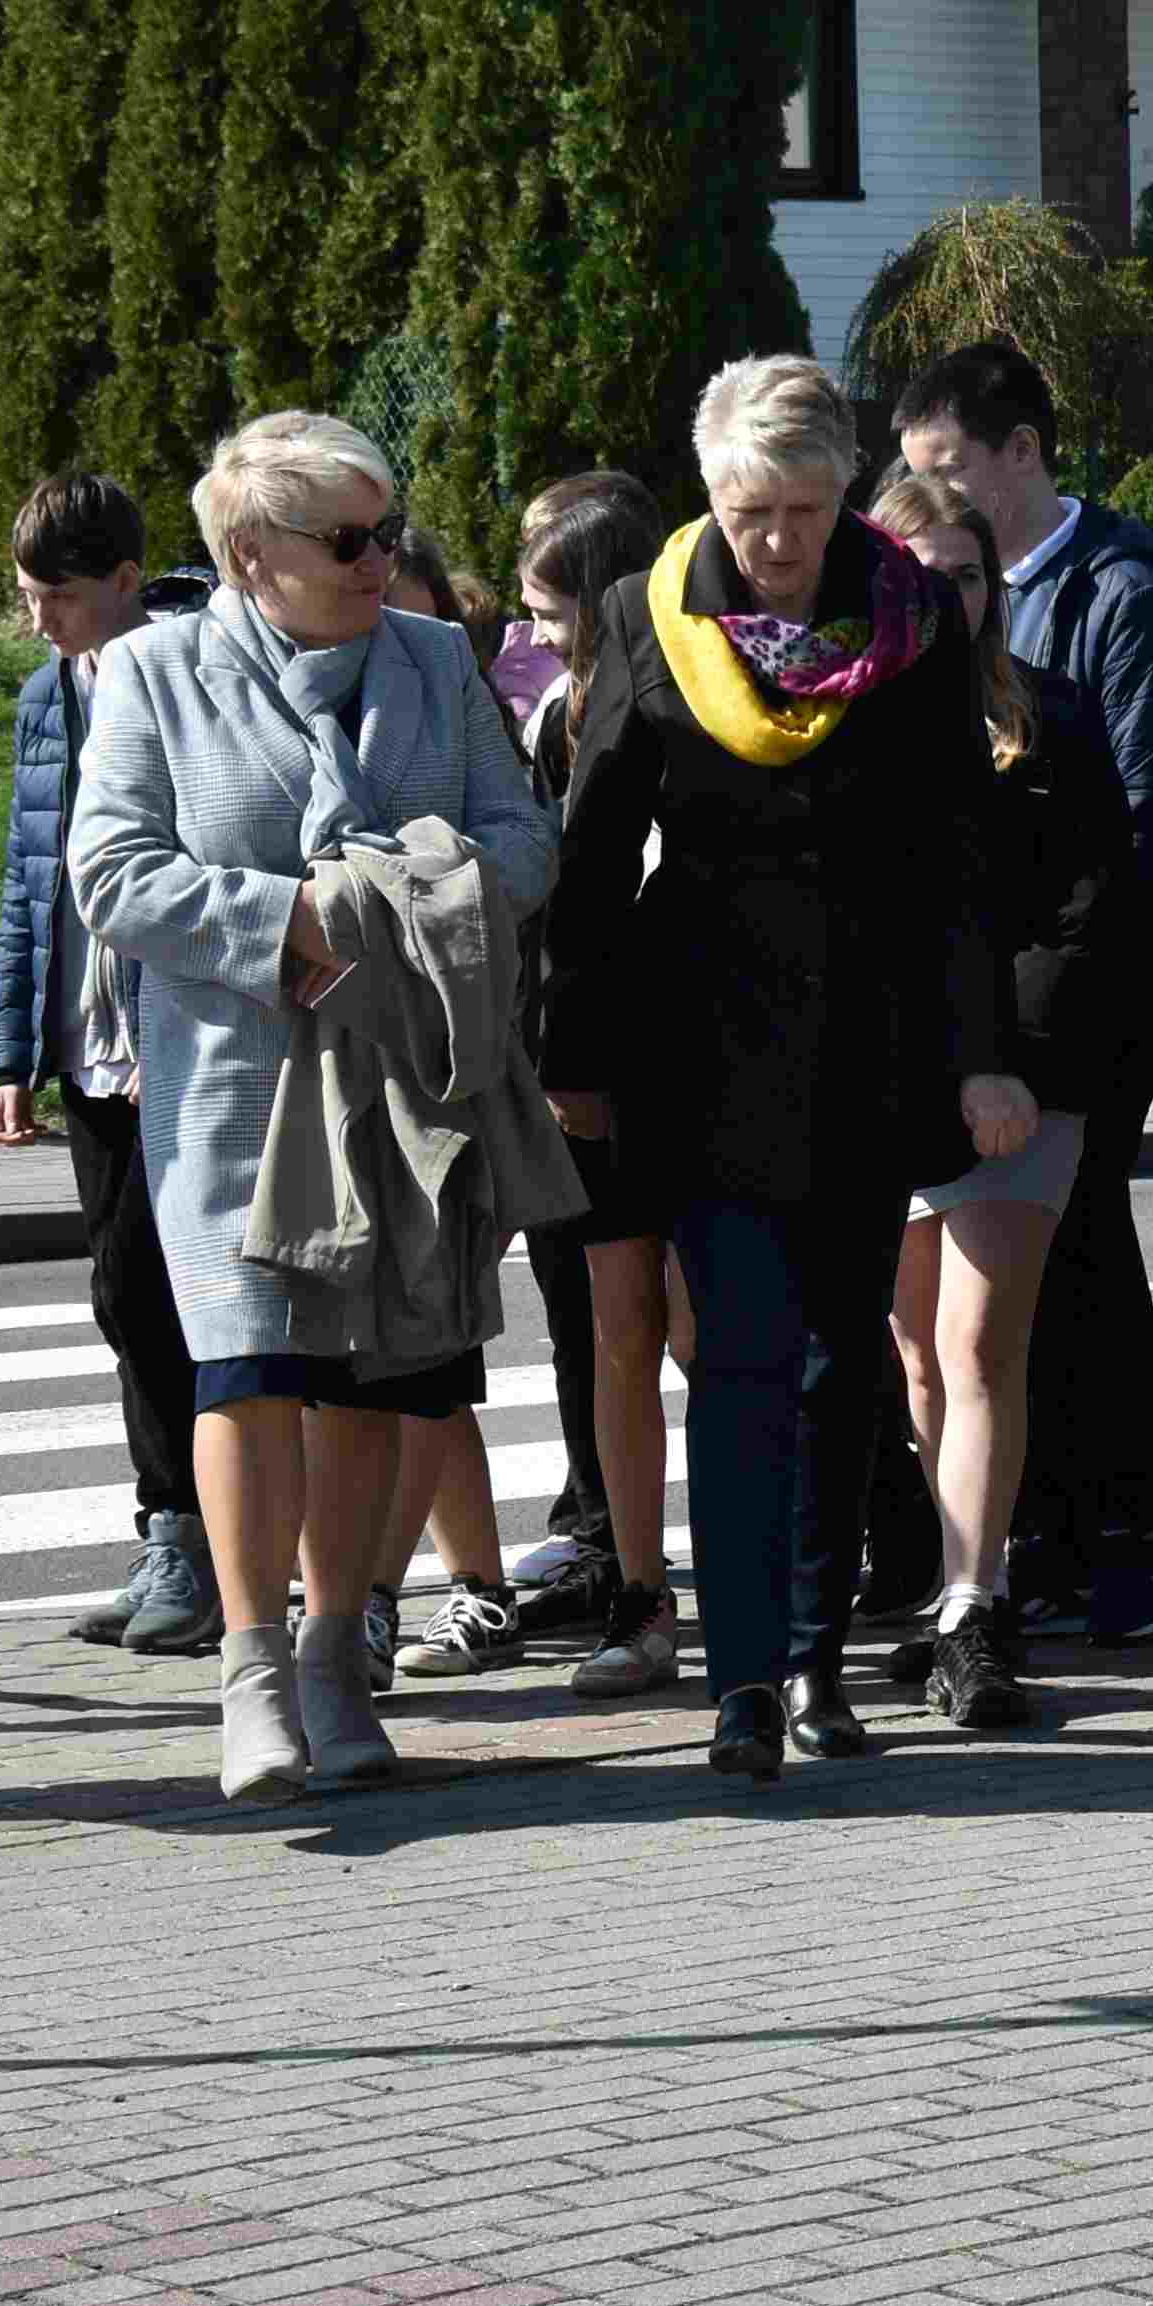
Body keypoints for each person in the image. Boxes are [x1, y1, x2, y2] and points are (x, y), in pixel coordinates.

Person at [69, 410, 566, 1804]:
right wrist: (289, 919)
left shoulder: (429, 658)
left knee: (372, 1371)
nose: (380, 558)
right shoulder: (156, 674)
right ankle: (251, 1672)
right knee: (245, 1370)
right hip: (234, 1090)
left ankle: (340, 1656)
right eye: (349, 539)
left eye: (388, 531)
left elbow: (526, 832)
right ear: (248, 553)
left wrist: (435, 892)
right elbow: (111, 872)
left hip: (407, 1084)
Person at [539, 358, 1022, 1785]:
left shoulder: (911, 614)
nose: (782, 544)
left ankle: (817, 1662)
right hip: (706, 1041)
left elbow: (958, 854)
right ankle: (744, 1681)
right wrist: (574, 1046)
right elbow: (588, 852)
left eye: (806, 510)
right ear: (713, 495)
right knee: (743, 1360)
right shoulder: (649, 615)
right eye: (756, 513)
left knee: (837, 1369)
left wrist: (981, 1053)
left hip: (869, 1047)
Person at [892, 341, 1153, 1646]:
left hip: (1087, 1001)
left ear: (1021, 454)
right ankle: (1020, 1542)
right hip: (967, 1032)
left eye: (951, 470)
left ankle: (1122, 1534)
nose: (937, 500)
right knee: (984, 1320)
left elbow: (1128, 822)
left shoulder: (1118, 589)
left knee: (1078, 1263)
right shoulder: (927, 631)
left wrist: (1016, 1044)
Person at [864, 468, 1153, 1730]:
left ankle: (981, 1607)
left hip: (1019, 1091)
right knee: (918, 1359)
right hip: (886, 1086)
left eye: (971, 574)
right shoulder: (840, 714)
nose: (949, 594)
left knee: (984, 1347)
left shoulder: (1056, 715)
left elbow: (1090, 916)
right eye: (922, 571)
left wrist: (1006, 1068)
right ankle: (946, 1593)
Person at [0, 472, 216, 1660]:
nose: (40, 620)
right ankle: (169, 1530)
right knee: (127, 1300)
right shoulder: (47, 694)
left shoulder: (192, 673)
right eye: (26, 596)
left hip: (182, 1036)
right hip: (86, 1041)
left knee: (159, 1289)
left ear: (128, 580)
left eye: (59, 596)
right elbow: (30, 883)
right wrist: (12, 1048)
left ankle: (213, 1540)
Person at [502, 473, 687, 1696]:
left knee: (714, 1333)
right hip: (594, 1066)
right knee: (618, 1336)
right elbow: (564, 909)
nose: (533, 638)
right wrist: (565, 1057)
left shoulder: (689, 694)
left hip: (707, 1055)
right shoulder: (555, 720)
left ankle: (781, 1583)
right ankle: (638, 1589)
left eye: (552, 612)